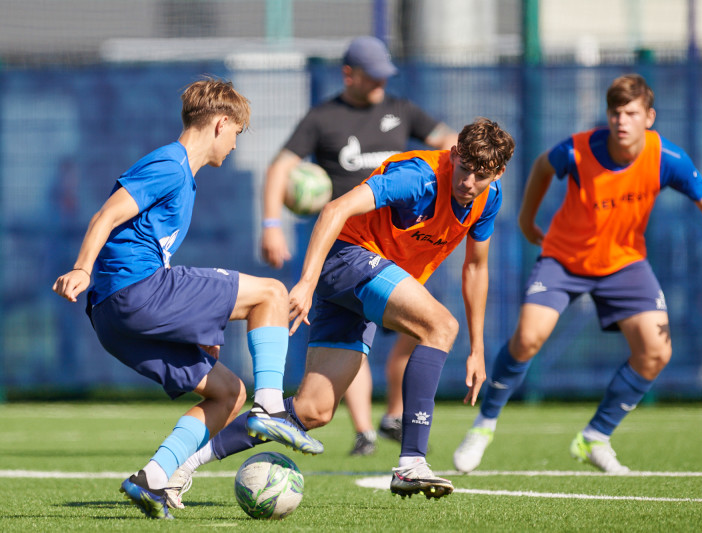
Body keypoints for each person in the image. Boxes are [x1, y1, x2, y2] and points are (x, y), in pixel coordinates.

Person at [167, 117, 514, 504]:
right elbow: (334, 210)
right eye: (464, 169)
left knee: (312, 410)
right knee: (441, 327)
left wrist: (478, 348)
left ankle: (177, 468)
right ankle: (412, 462)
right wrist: (307, 281)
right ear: (454, 155)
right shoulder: (419, 176)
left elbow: (476, 267)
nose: (468, 182)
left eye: (480, 175)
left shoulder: (488, 197)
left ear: (498, 174)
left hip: (363, 281)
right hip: (348, 260)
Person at [452, 74, 702, 475]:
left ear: (649, 117)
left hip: (624, 263)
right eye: (615, 112)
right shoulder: (580, 150)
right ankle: (484, 425)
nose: (621, 120)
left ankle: (595, 437)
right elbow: (543, 165)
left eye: (631, 112)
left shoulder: (668, 158)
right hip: (564, 257)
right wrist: (527, 222)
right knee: (528, 338)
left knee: (656, 351)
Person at [52, 77, 322, 520]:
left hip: (113, 321)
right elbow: (107, 213)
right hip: (136, 291)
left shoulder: (185, 177)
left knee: (227, 391)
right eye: (237, 132)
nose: (235, 144)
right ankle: (272, 405)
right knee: (271, 292)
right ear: (220, 124)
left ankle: (154, 478)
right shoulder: (171, 165)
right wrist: (83, 266)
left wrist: (197, 328)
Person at [261, 35, 459, 456]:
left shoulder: (401, 110)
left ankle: (391, 414)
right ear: (349, 74)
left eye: (386, 76)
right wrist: (271, 223)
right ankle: (366, 429)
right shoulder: (323, 118)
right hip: (350, 248)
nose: (381, 85)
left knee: (425, 326)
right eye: (373, 77)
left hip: (401, 249)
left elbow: (450, 141)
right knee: (363, 336)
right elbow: (280, 168)